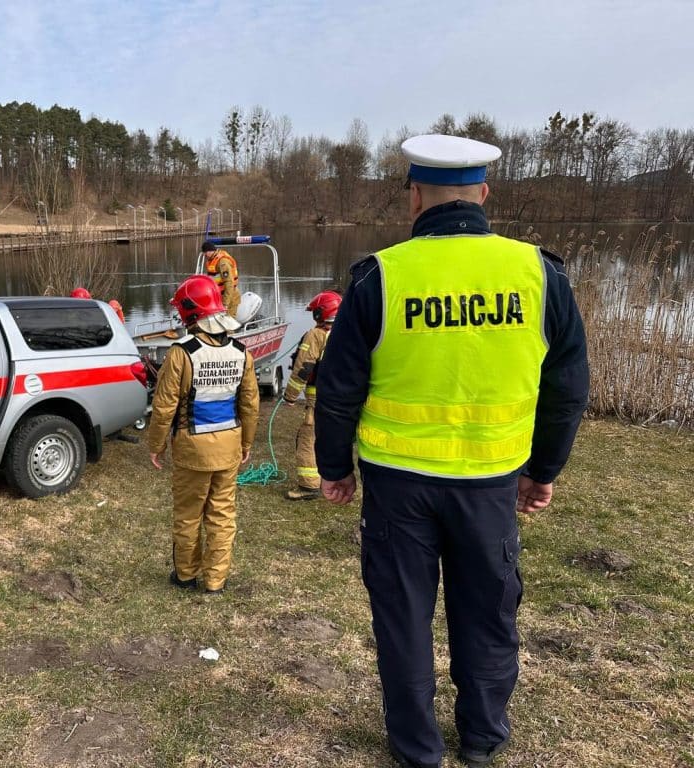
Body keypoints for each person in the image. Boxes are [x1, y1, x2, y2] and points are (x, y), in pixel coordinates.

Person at [314, 135, 589, 768]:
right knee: (488, 613)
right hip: (491, 482)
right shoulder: (537, 273)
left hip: (396, 485)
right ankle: (484, 738)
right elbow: (568, 387)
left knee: (405, 621)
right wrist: (543, 471)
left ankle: (417, 750)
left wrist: (334, 469)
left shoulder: (381, 275)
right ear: (484, 193)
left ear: (415, 197)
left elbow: (337, 389)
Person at [148, 274, 259, 594]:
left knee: (188, 515)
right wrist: (247, 442)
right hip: (229, 446)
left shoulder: (181, 352)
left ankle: (185, 575)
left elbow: (164, 406)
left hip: (191, 450)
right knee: (223, 516)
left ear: (188, 313)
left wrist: (156, 445)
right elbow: (249, 404)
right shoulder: (241, 352)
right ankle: (215, 581)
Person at [282, 290, 342, 501]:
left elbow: (304, 367)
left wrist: (290, 395)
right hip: (343, 397)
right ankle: (335, 480)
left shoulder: (316, 334)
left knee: (308, 439)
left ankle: (309, 486)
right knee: (334, 438)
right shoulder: (349, 331)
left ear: (321, 313)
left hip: (319, 397)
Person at [202, 240, 240, 319]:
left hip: (230, 297)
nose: (204, 255)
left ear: (210, 251)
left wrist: (225, 303)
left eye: (205, 252)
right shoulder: (212, 260)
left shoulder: (222, 262)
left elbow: (229, 283)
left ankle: (231, 331)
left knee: (229, 322)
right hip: (219, 296)